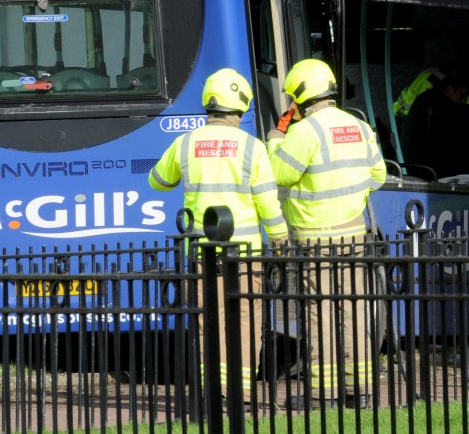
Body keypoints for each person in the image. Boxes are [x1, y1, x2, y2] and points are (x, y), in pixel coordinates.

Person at [148, 68, 288, 407]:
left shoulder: (185, 143)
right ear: (240, 107)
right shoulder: (253, 148)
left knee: (206, 321)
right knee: (244, 320)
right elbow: (267, 203)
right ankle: (240, 392)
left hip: (201, 251)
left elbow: (157, 181)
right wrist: (280, 241)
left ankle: (211, 390)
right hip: (245, 253)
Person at [267, 58, 386, 409]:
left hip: (315, 240)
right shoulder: (360, 127)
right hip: (354, 236)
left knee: (320, 314)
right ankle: (360, 390)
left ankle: (323, 395)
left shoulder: (305, 131)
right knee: (354, 311)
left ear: (300, 99)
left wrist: (276, 138)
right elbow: (377, 177)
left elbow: (280, 174)